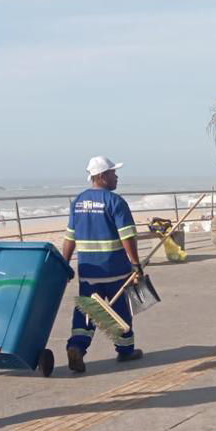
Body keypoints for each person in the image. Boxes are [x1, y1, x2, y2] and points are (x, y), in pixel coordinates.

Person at [61, 156, 143, 371]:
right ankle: (125, 350)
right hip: (115, 269)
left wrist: (64, 264)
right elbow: (127, 236)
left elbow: (70, 237)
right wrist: (135, 263)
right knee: (120, 311)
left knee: (88, 310)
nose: (117, 177)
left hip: (88, 271)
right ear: (102, 176)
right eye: (113, 173)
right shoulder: (115, 201)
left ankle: (77, 347)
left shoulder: (78, 202)